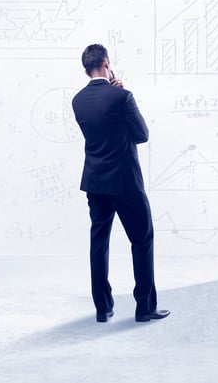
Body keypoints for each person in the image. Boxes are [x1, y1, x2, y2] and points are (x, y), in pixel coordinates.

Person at [71, 43, 170, 323]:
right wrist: (124, 93)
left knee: (98, 244)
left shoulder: (77, 101)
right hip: (125, 182)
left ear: (85, 69)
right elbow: (141, 134)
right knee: (142, 240)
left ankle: (103, 309)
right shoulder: (122, 96)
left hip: (95, 182)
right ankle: (144, 308)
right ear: (107, 63)